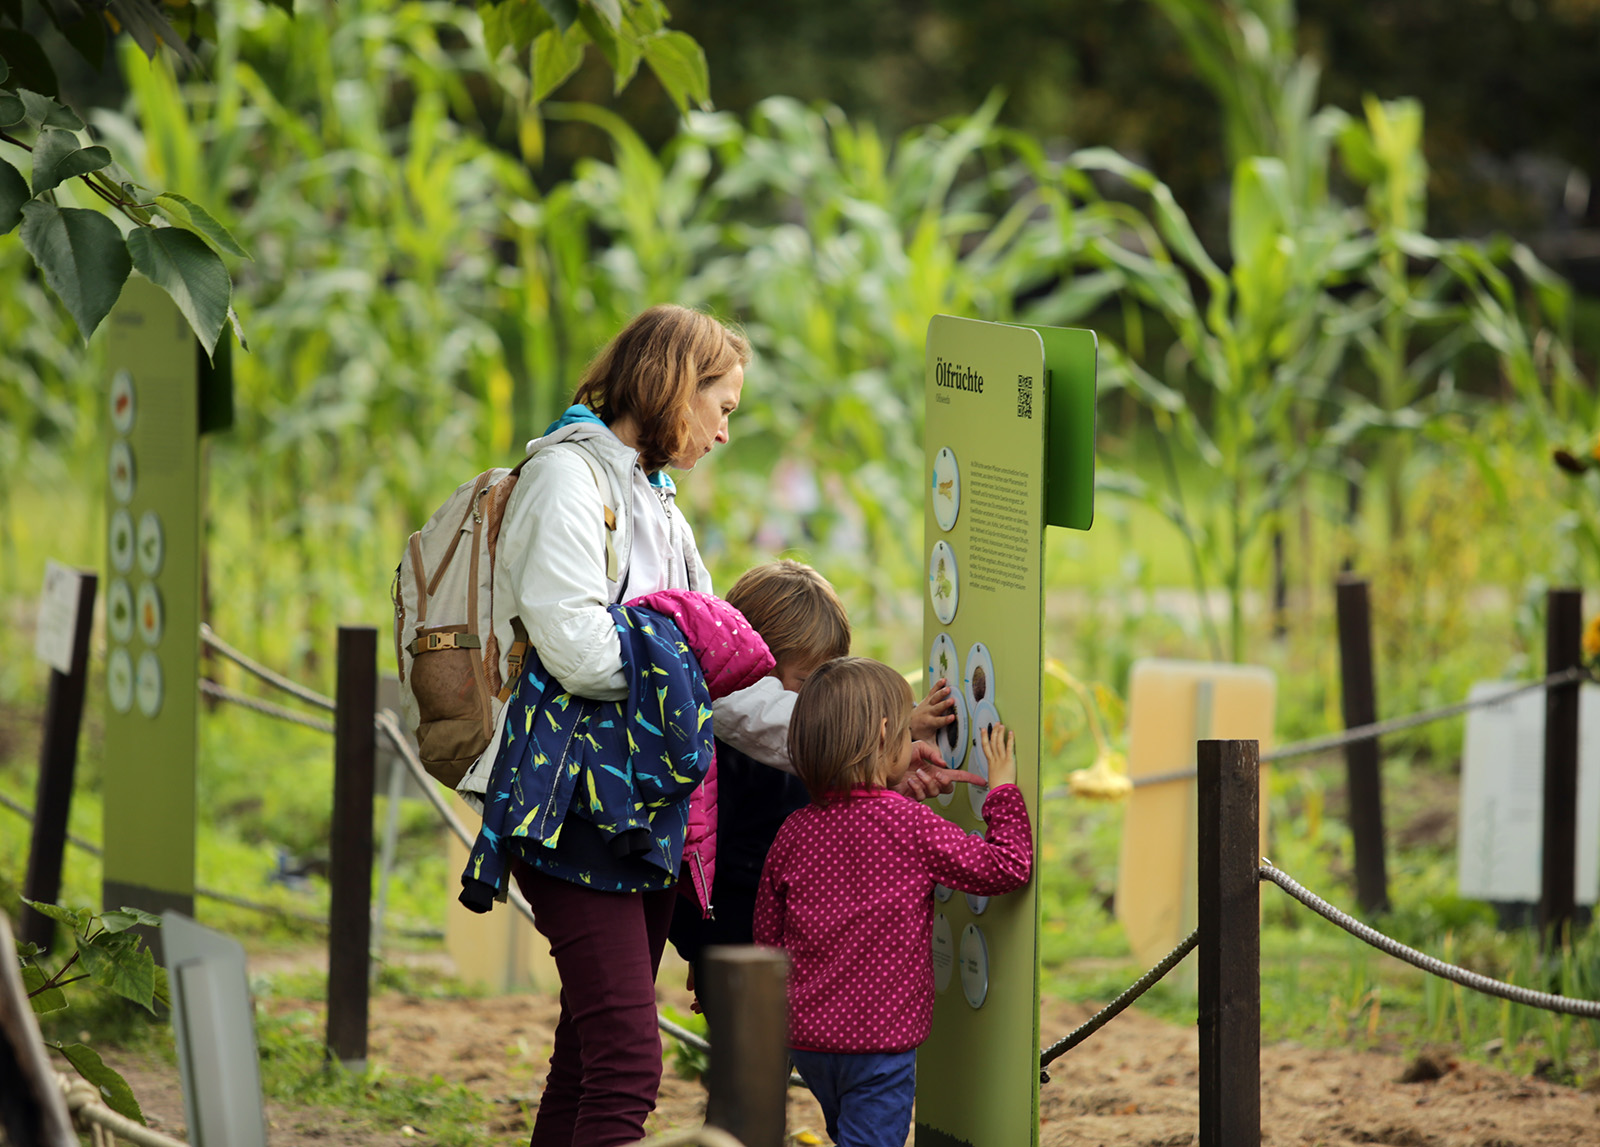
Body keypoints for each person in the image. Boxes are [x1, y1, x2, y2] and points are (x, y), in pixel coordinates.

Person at [451, 306, 975, 1147]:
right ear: (672, 386)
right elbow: (580, 650)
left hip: (642, 814)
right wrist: (683, 652)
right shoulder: (566, 480)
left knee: (587, 1058)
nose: (726, 431)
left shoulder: (655, 500)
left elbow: (734, 689)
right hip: (574, 807)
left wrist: (870, 736)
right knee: (628, 1063)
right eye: (722, 405)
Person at [754, 657, 1033, 1147]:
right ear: (887, 733)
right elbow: (1006, 867)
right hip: (878, 1045)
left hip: (808, 1040)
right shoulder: (908, 825)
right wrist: (1004, 789)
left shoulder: (792, 831)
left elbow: (767, 940)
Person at [671, 560, 962, 1003]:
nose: (816, 702)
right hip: (738, 935)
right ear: (757, 673)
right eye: (807, 682)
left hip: (784, 938)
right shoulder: (726, 746)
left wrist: (892, 782)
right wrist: (707, 949)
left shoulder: (798, 749)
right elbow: (702, 860)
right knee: (754, 1061)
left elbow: (840, 815)